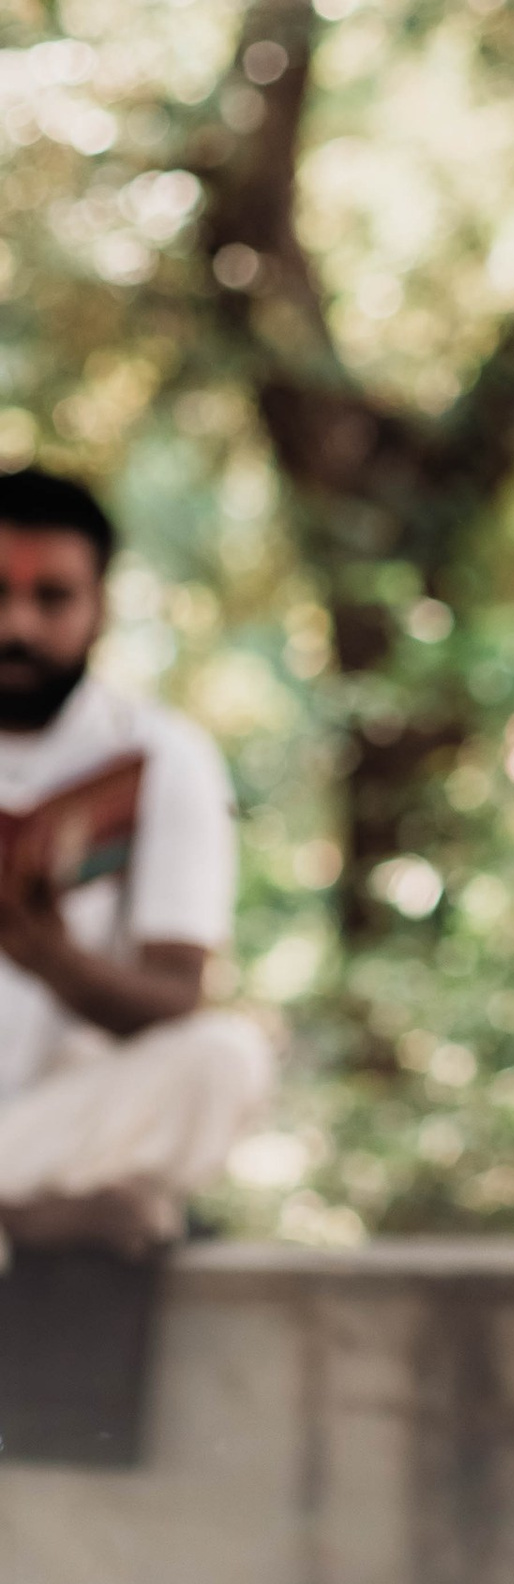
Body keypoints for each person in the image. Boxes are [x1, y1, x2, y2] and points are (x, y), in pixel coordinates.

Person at [0, 464, 269, 1262]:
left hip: (58, 1121)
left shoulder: (164, 756)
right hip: (47, 1174)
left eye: (51, 598)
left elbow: (177, 994)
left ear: (100, 606)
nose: (18, 625)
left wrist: (51, 959)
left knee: (225, 1059)